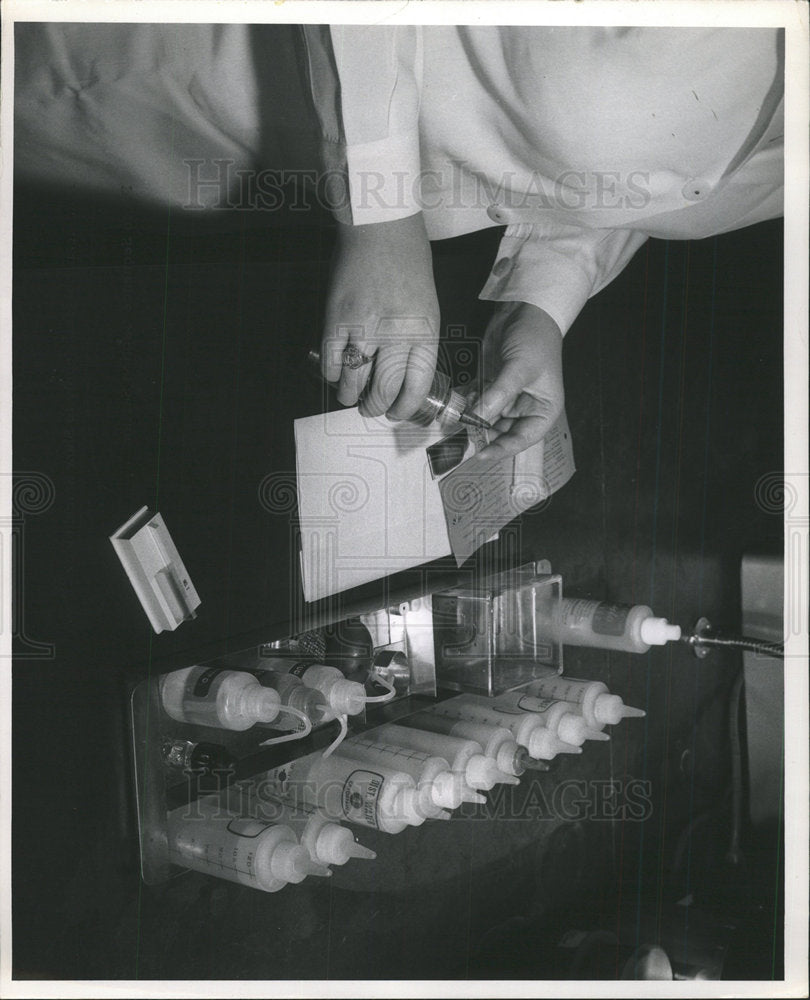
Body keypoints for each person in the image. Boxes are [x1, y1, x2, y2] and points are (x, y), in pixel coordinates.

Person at [302, 25, 784, 459]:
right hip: (299, 83)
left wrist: (540, 301)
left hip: (330, 224)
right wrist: (377, 220)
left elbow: (650, 190)